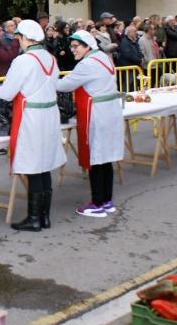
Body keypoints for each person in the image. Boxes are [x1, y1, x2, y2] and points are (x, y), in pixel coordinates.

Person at [0, 21, 66, 232]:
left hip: (31, 116)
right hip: (49, 114)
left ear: (25, 38)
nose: (18, 42)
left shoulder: (23, 61)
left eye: (19, 38)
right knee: (44, 165)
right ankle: (45, 217)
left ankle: (34, 218)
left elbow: (7, 93)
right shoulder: (50, 58)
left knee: (34, 165)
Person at [55, 31, 124, 217]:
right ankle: (107, 200)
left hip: (97, 114)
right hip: (109, 112)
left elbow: (64, 85)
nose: (72, 50)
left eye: (76, 46)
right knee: (106, 158)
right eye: (71, 47)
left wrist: (46, 80)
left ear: (87, 46)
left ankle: (97, 203)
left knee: (96, 159)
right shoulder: (104, 57)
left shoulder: (87, 64)